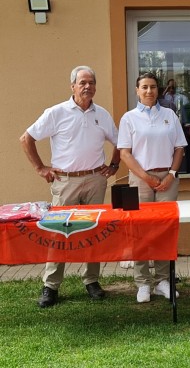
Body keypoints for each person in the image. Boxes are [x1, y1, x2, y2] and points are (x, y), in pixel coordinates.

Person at [20, 65, 120, 308]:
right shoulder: (56, 112)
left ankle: (92, 281)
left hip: (95, 179)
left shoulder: (102, 114)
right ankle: (51, 286)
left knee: (94, 231)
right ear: (72, 86)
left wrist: (114, 165)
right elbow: (26, 138)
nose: (87, 87)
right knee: (58, 233)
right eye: (82, 82)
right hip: (64, 182)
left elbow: (120, 141)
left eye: (91, 82)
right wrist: (40, 168)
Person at [117, 72, 187, 303]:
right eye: (144, 87)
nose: (149, 91)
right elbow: (125, 153)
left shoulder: (169, 115)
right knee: (140, 230)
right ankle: (143, 283)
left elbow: (179, 148)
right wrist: (146, 178)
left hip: (168, 178)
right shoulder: (129, 118)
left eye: (153, 87)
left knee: (163, 231)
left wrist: (171, 174)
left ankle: (162, 281)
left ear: (159, 90)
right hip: (140, 179)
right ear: (137, 90)